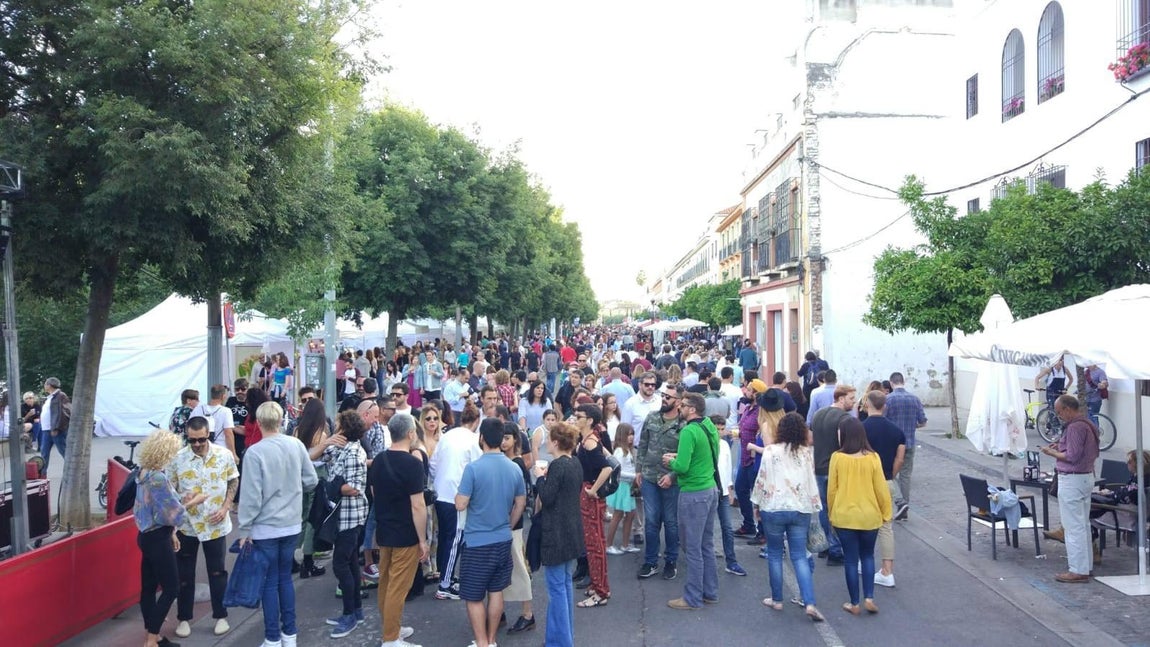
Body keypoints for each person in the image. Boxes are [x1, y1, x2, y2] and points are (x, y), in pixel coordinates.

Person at [237, 401, 319, 647]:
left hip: (265, 526)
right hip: (291, 523)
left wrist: (244, 529)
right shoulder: (295, 445)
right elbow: (311, 480)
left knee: (269, 582)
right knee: (285, 579)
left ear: (259, 423)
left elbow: (251, 496)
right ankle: (289, 635)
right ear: (282, 420)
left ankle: (272, 638)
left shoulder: (254, 452)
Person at [455, 419, 527, 647]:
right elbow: (521, 502)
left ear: (482, 438)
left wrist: (459, 496)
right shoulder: (514, 467)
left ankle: (482, 641)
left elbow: (460, 503)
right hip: (502, 538)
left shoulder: (473, 468)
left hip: (477, 541)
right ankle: (492, 640)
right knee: (496, 591)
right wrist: (509, 523)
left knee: (474, 596)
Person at [750, 412, 824, 622]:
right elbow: (811, 482)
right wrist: (814, 506)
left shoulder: (771, 451)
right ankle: (809, 602)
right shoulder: (806, 453)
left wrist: (756, 504)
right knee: (799, 555)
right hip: (800, 508)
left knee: (774, 554)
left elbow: (761, 480)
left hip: (773, 507)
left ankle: (777, 599)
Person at [171, 416, 239, 639]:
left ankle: (220, 615)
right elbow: (169, 493)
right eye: (192, 440)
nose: (197, 444)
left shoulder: (224, 455)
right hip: (187, 526)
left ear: (209, 434)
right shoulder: (178, 459)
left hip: (215, 524)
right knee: (184, 574)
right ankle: (183, 618)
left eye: (201, 439)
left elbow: (233, 479)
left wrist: (227, 506)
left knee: (217, 571)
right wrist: (184, 501)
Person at [368, 413, 429, 647]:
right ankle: (391, 639)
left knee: (385, 582)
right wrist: (422, 540)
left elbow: (374, 493)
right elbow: (418, 505)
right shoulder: (413, 464)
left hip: (384, 530)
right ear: (410, 433)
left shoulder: (379, 460)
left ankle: (391, 628)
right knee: (398, 587)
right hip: (405, 533)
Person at [827, 417, 891, 616]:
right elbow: (881, 488)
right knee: (868, 555)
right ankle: (869, 597)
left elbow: (832, 490)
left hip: (845, 515)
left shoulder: (837, 457)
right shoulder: (873, 458)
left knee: (851, 560)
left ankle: (854, 602)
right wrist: (886, 512)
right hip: (869, 515)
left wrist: (831, 513)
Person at [663, 393, 720, 610]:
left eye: (683, 405)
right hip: (710, 488)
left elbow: (683, 467)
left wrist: (671, 462)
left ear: (692, 409)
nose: (680, 408)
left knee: (692, 547)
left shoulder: (688, 430)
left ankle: (692, 597)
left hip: (693, 493)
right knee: (706, 544)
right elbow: (702, 454)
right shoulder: (708, 425)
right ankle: (710, 591)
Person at [133, 429, 189, 647]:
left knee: (148, 588)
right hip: (157, 537)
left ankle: (153, 635)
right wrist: (192, 501)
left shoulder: (143, 472)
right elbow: (172, 513)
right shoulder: (158, 477)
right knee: (172, 587)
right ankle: (151, 639)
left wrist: (181, 497)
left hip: (145, 535)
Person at [535, 421, 584, 647]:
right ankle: (558, 639)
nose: (546, 442)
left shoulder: (557, 466)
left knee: (557, 590)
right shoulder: (575, 463)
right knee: (563, 586)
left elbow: (547, 497)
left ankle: (562, 642)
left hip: (556, 533)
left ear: (556, 441)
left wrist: (539, 478)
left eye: (549, 439)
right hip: (572, 530)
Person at [1042, 395, 1100, 584]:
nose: (1059, 416)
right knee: (1082, 524)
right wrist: (1061, 445)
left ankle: (1077, 570)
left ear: (1068, 409)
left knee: (1073, 526)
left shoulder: (1075, 426)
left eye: (1059, 412)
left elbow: (1073, 456)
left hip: (1073, 479)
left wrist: (1053, 452)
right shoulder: (1088, 424)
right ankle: (1085, 566)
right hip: (1086, 477)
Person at [322, 410, 369, 638]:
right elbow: (316, 456)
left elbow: (354, 487)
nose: (335, 426)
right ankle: (356, 611)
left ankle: (349, 614)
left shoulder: (353, 452)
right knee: (350, 563)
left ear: (345, 427)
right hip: (343, 516)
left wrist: (330, 486)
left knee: (340, 564)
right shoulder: (342, 447)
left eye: (338, 423)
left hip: (350, 516)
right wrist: (328, 441)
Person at [429, 402, 483, 600]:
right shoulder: (474, 439)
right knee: (455, 540)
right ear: (476, 421)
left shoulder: (447, 435)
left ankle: (447, 576)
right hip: (457, 495)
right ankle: (445, 584)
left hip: (440, 492)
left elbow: (433, 463)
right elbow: (478, 468)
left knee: (445, 537)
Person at [635, 383, 685, 580]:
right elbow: (643, 445)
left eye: (669, 397)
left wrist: (672, 476)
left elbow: (685, 456)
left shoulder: (684, 425)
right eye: (663, 395)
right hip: (649, 477)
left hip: (672, 480)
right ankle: (650, 561)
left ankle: (671, 560)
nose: (664, 399)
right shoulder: (652, 417)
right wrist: (638, 470)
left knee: (671, 522)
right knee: (651, 521)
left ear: (679, 402)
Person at [860, 390, 906, 588]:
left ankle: (864, 561)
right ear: (884, 406)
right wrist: (890, 475)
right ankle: (887, 571)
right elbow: (900, 459)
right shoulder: (897, 431)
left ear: (867, 405)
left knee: (862, 523)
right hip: (886, 480)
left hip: (863, 481)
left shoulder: (860, 429)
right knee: (886, 526)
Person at [574, 404, 614, 608]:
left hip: (591, 497)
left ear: (589, 420)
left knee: (595, 543)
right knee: (592, 543)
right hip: (588, 495)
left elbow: (607, 467)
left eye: (578, 416)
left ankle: (601, 591)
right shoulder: (589, 439)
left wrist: (593, 490)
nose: (575, 418)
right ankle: (596, 583)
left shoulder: (589, 442)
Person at [811, 385, 855, 565]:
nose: (854, 402)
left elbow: (810, 439)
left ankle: (826, 545)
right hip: (835, 470)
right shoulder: (844, 418)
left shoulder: (818, 414)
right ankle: (836, 550)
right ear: (841, 398)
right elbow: (844, 445)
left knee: (824, 509)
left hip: (819, 468)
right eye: (852, 398)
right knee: (837, 510)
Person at [294, 397, 336, 579]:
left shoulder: (297, 430)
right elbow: (319, 456)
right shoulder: (322, 434)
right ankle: (308, 561)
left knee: (302, 517)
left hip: (299, 477)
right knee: (314, 518)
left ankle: (293, 555)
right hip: (317, 477)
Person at [500, 422, 536, 634]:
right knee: (502, 568)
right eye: (502, 438)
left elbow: (519, 499)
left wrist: (510, 522)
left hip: (512, 523)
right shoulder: (505, 461)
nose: (504, 442)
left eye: (507, 438)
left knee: (519, 568)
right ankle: (500, 610)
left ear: (515, 439)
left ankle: (528, 613)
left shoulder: (517, 463)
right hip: (503, 522)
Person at [884, 372, 926, 520]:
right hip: (909, 442)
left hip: (892, 444)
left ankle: (900, 502)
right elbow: (923, 421)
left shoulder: (888, 400)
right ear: (904, 381)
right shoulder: (915, 399)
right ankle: (905, 508)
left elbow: (883, 421)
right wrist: (912, 426)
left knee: (889, 473)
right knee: (906, 475)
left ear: (891, 383)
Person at [733, 379, 768, 538]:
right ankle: (748, 524)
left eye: (748, 389)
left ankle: (762, 531)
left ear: (756, 393)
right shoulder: (747, 408)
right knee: (740, 490)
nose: (744, 392)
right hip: (744, 458)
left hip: (755, 459)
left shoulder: (762, 412)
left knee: (758, 495)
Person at [605, 423, 639, 555]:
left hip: (629, 486)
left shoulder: (629, 450)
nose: (631, 437)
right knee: (618, 515)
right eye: (628, 434)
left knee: (630, 515)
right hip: (622, 486)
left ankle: (625, 544)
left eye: (632, 434)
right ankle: (609, 544)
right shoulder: (620, 451)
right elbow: (618, 471)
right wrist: (634, 476)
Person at [191, 384, 237, 464]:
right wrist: (233, 453)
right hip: (220, 450)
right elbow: (228, 433)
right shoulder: (226, 411)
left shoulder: (197, 409)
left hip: (199, 449)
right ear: (223, 396)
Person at [39, 377, 71, 473]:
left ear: (49, 385)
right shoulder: (50, 397)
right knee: (44, 454)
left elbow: (63, 413)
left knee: (64, 452)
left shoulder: (60, 395)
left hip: (56, 430)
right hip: (46, 430)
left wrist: (56, 427)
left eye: (45, 384)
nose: (44, 386)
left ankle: (71, 473)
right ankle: (42, 474)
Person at [1082, 362, 1109, 427]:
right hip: (1085, 398)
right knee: (1086, 417)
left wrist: (1103, 384)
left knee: (1094, 417)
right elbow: (1083, 383)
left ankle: (1096, 433)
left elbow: (1104, 382)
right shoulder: (1086, 372)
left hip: (1095, 399)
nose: (1086, 364)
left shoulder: (1100, 372)